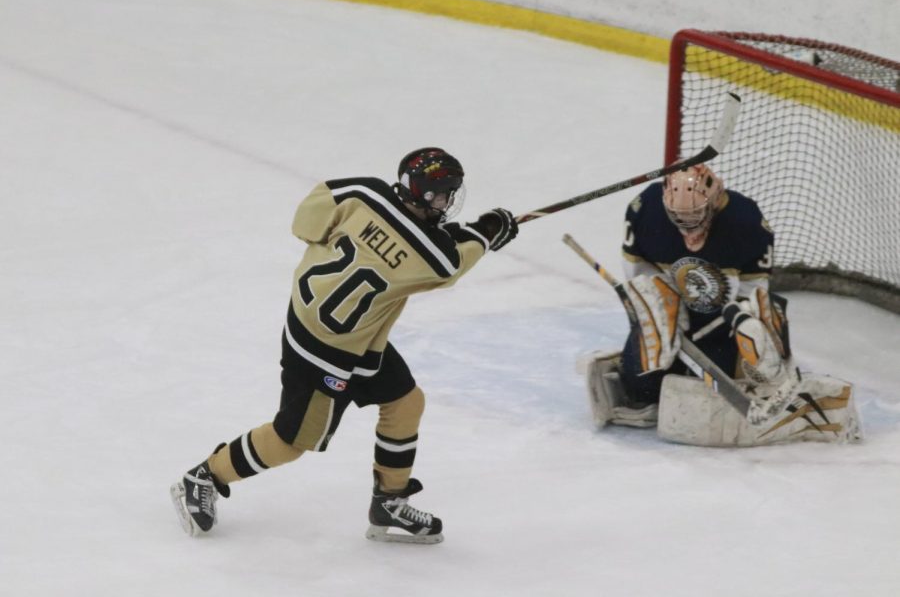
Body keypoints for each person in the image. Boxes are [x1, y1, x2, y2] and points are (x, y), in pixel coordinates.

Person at [171, 147, 518, 544]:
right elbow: (449, 262)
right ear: (422, 194)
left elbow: (308, 219)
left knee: (406, 403)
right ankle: (204, 476)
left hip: (336, 332)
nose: (448, 201)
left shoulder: (361, 194)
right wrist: (486, 232)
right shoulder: (434, 256)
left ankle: (388, 502)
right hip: (325, 356)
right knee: (290, 442)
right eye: (443, 194)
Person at [581, 164, 861, 446]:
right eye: (679, 220)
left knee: (758, 321)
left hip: (718, 324)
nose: (689, 233)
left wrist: (739, 321)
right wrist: (658, 302)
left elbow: (754, 293)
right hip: (669, 316)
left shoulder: (746, 222)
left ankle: (774, 374)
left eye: (696, 218)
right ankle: (646, 364)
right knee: (641, 387)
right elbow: (636, 271)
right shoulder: (645, 210)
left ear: (713, 202)